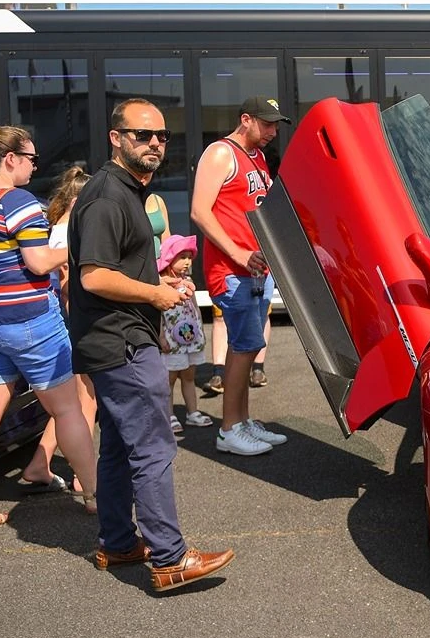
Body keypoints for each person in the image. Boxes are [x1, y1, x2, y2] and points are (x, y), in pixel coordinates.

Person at [70, 98, 234, 592]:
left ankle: (120, 543)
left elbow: (115, 268)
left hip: (117, 337)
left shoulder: (125, 191)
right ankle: (170, 558)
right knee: (153, 446)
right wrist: (156, 294)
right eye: (142, 135)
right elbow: (95, 277)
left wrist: (156, 285)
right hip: (119, 341)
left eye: (162, 136)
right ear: (116, 138)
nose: (155, 144)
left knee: (121, 447)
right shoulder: (107, 197)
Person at [0, 124, 98, 536]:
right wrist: (78, 248)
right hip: (30, 322)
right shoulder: (19, 202)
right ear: (10, 159)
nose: (34, 167)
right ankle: (96, 496)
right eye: (31, 158)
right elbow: (39, 262)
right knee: (67, 409)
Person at [190, 96, 290, 457]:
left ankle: (242, 421)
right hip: (233, 271)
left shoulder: (257, 157)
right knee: (245, 346)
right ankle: (229, 428)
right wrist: (238, 254)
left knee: (246, 347)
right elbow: (200, 212)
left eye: (276, 124)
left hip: (256, 270)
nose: (273, 131)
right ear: (245, 119)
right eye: (267, 123)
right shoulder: (221, 153)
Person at [18, 163, 98, 495]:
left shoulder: (54, 229)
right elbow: (67, 286)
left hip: (63, 321)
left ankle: (40, 463)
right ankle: (84, 476)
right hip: (74, 321)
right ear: (77, 201)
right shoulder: (70, 234)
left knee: (71, 404)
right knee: (85, 401)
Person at [157, 234, 212, 433]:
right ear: (169, 258)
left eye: (190, 257)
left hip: (191, 338)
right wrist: (160, 336)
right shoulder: (161, 284)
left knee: (189, 376)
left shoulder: (188, 281)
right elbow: (158, 312)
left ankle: (193, 412)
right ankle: (169, 415)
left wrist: (201, 329)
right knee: (169, 379)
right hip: (171, 339)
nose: (188, 261)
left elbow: (195, 307)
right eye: (182, 257)